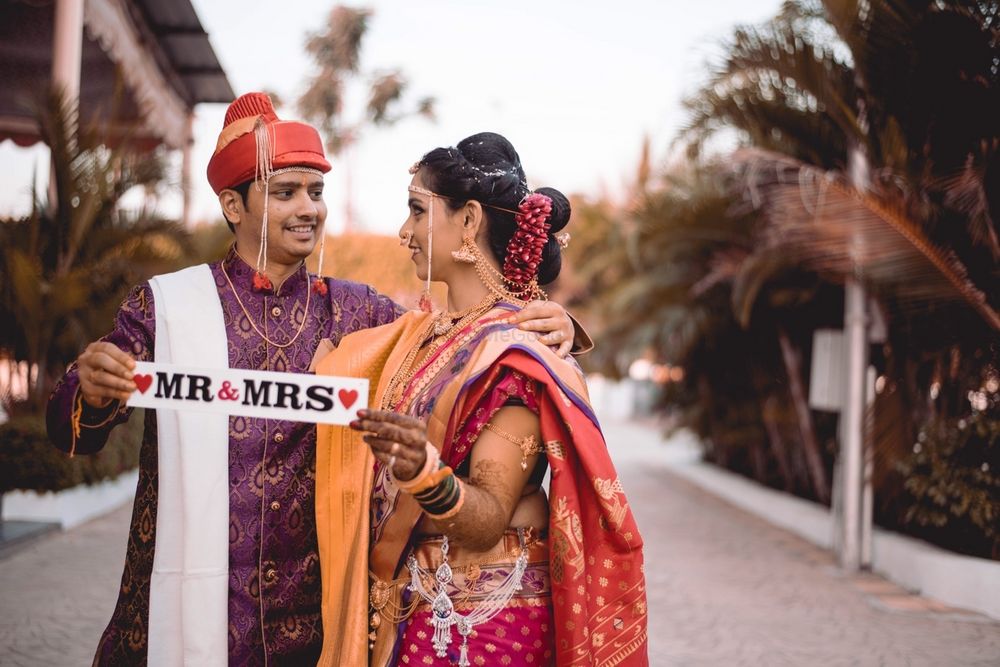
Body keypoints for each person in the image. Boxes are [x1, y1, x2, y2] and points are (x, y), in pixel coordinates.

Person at [45, 94, 579, 666]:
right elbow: (72, 432)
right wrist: (92, 389)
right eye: (285, 193)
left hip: (310, 629)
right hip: (180, 613)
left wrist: (557, 321)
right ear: (233, 204)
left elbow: (468, 344)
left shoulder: (360, 313)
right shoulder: (168, 307)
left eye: (317, 192)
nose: (309, 209)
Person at [314, 133, 648, 666]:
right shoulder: (420, 335)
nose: (403, 233)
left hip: (482, 627)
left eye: (417, 211)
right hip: (415, 609)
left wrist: (425, 475)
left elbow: (491, 514)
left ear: (468, 221)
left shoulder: (516, 353)